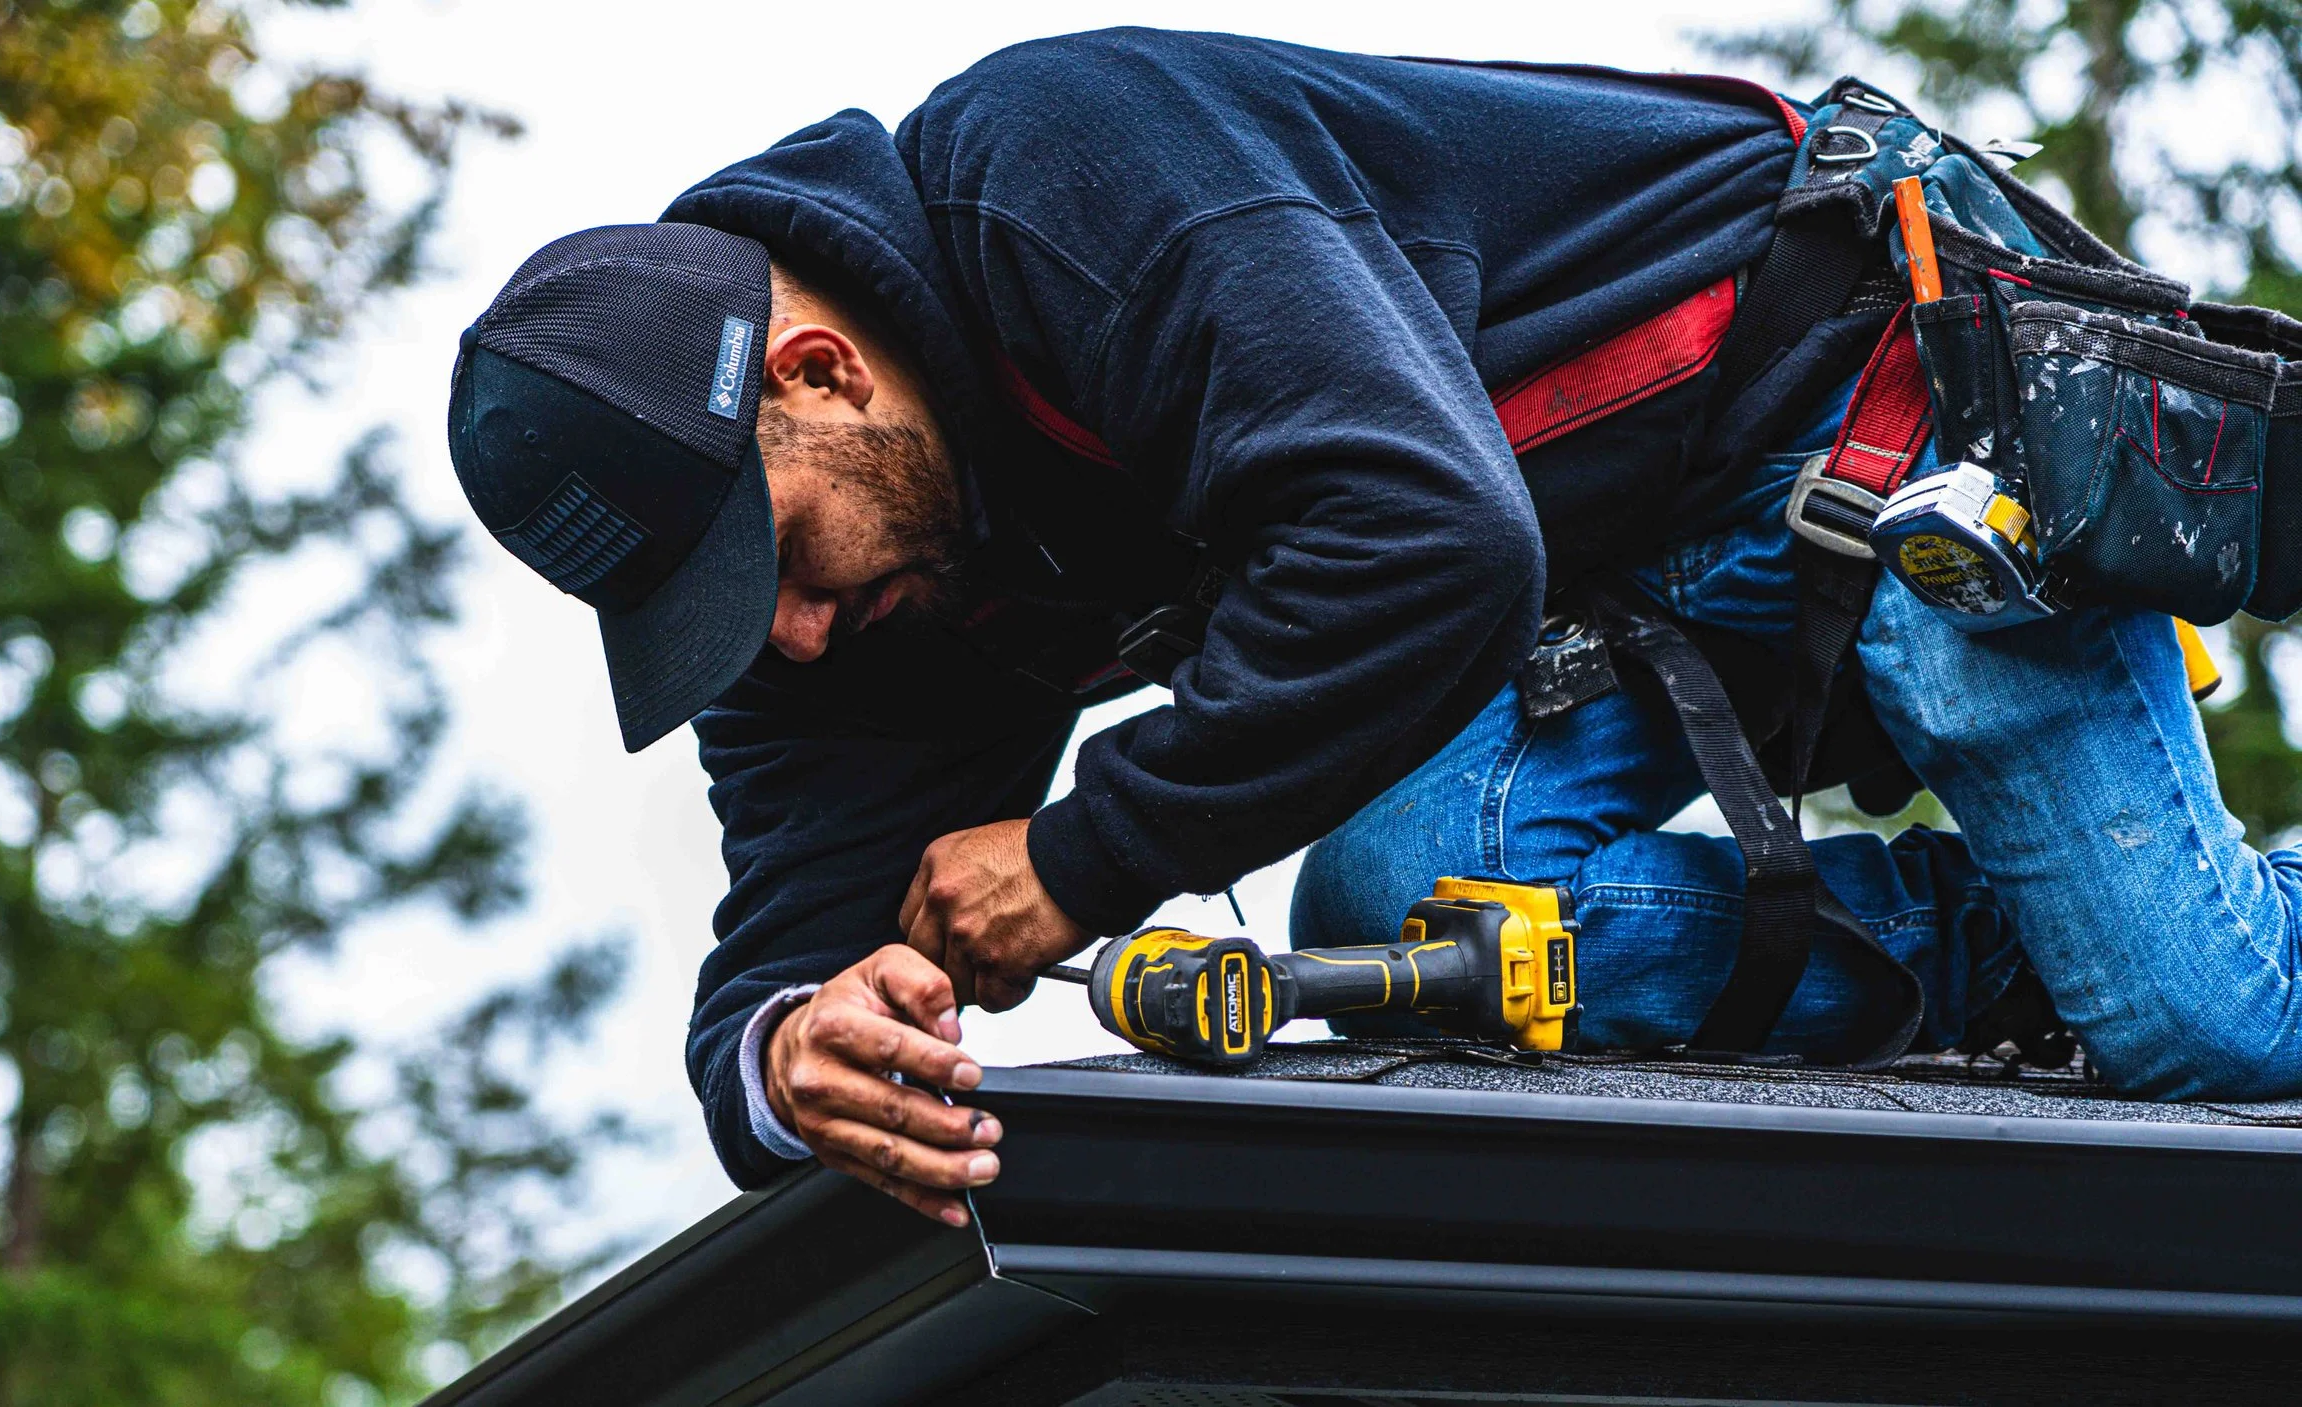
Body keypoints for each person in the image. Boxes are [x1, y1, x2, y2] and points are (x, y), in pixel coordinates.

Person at [443, 29, 2302, 1225]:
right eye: (710, 618)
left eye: (766, 562)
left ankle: (2130, 953)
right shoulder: (835, 606)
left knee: (2204, 1022)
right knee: (1409, 928)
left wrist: (1089, 856)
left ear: (822, 371)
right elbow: (767, 961)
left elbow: (1424, 542)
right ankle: (1989, 969)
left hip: (1873, 397)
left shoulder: (1068, 173)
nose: (788, 638)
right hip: (1611, 571)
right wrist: (790, 1056)